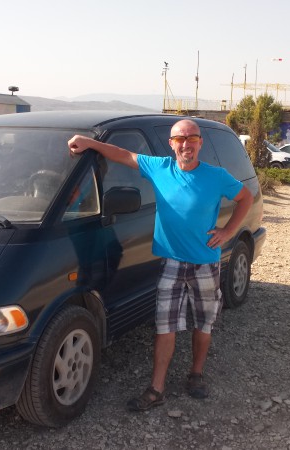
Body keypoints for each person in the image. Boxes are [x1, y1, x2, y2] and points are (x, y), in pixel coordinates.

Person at [67, 119, 253, 411]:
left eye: (192, 138)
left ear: (200, 142)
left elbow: (246, 198)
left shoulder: (216, 176)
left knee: (203, 324)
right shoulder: (160, 168)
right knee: (165, 327)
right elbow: (123, 155)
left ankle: (196, 374)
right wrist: (90, 143)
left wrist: (228, 231)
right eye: (180, 138)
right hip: (172, 264)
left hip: (205, 263)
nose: (186, 144)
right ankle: (156, 389)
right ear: (171, 144)